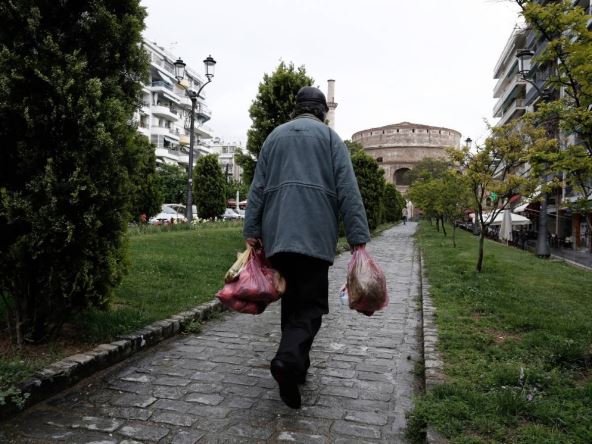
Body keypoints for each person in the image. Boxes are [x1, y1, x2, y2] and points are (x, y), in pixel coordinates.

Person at [243, 86, 370, 409]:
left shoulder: (274, 137)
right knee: (311, 306)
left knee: (291, 302)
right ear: (322, 112)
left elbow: (257, 187)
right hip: (314, 236)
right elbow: (348, 189)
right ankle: (287, 361)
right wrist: (358, 237)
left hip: (278, 236)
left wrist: (252, 230)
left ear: (296, 108)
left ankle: (297, 368)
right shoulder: (330, 139)